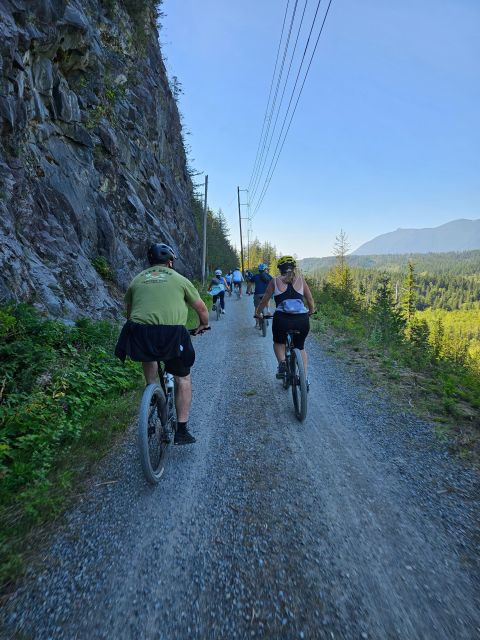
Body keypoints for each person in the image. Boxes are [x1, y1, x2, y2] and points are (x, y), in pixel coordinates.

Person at [115, 242, 209, 444]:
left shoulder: (137, 280)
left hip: (140, 333)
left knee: (148, 354)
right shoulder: (179, 279)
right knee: (183, 378)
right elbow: (201, 309)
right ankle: (182, 431)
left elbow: (130, 314)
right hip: (172, 334)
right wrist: (203, 324)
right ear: (170, 262)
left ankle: (153, 391)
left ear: (150, 262)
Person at [255, 255, 315, 381]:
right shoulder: (301, 280)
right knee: (300, 347)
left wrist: (258, 313)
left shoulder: (275, 281)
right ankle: (303, 376)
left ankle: (282, 363)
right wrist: (311, 311)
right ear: (294, 268)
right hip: (302, 320)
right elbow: (309, 299)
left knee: (278, 342)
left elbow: (264, 300)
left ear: (279, 269)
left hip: (282, 320)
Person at [249, 263, 272, 328]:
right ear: (265, 270)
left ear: (259, 270)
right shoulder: (268, 276)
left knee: (256, 308)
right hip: (267, 294)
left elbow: (249, 283)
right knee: (268, 299)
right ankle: (268, 310)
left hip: (258, 294)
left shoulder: (255, 276)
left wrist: (248, 291)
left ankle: (256, 324)